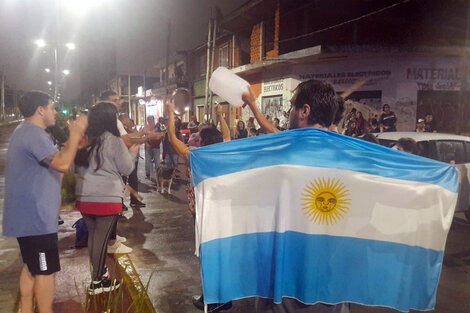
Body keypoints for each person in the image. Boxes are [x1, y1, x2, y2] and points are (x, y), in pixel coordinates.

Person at [243, 79, 349, 313]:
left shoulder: (280, 157)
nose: (288, 112)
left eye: (292, 106)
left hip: (285, 286)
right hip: (331, 287)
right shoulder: (350, 157)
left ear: (304, 111)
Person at [3, 91, 87, 313]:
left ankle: (26, 309)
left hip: (31, 218)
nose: (55, 112)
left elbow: (59, 162)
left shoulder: (27, 132)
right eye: (52, 107)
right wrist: (76, 133)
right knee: (44, 270)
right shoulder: (34, 134)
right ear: (40, 110)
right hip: (35, 219)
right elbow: (62, 164)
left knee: (32, 267)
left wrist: (70, 146)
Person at [164, 100, 231, 312]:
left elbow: (173, 139)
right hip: (224, 210)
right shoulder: (225, 151)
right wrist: (220, 115)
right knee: (222, 253)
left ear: (203, 141)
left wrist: (169, 116)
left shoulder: (196, 154)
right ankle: (225, 297)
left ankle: (209, 299)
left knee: (207, 254)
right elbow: (227, 136)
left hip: (203, 213)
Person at [74, 102, 139, 295]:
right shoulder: (113, 140)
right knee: (100, 240)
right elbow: (126, 168)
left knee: (94, 238)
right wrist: (133, 153)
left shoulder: (85, 140)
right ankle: (97, 282)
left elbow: (75, 167)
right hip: (106, 197)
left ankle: (100, 274)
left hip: (84, 196)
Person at [142, 116, 161, 181]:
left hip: (156, 146)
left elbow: (160, 135)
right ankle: (148, 174)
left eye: (152, 119)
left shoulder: (158, 127)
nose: (151, 121)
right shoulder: (146, 127)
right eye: (149, 120)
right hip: (148, 147)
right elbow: (143, 136)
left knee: (157, 162)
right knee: (148, 162)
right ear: (148, 120)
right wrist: (146, 143)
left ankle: (158, 175)